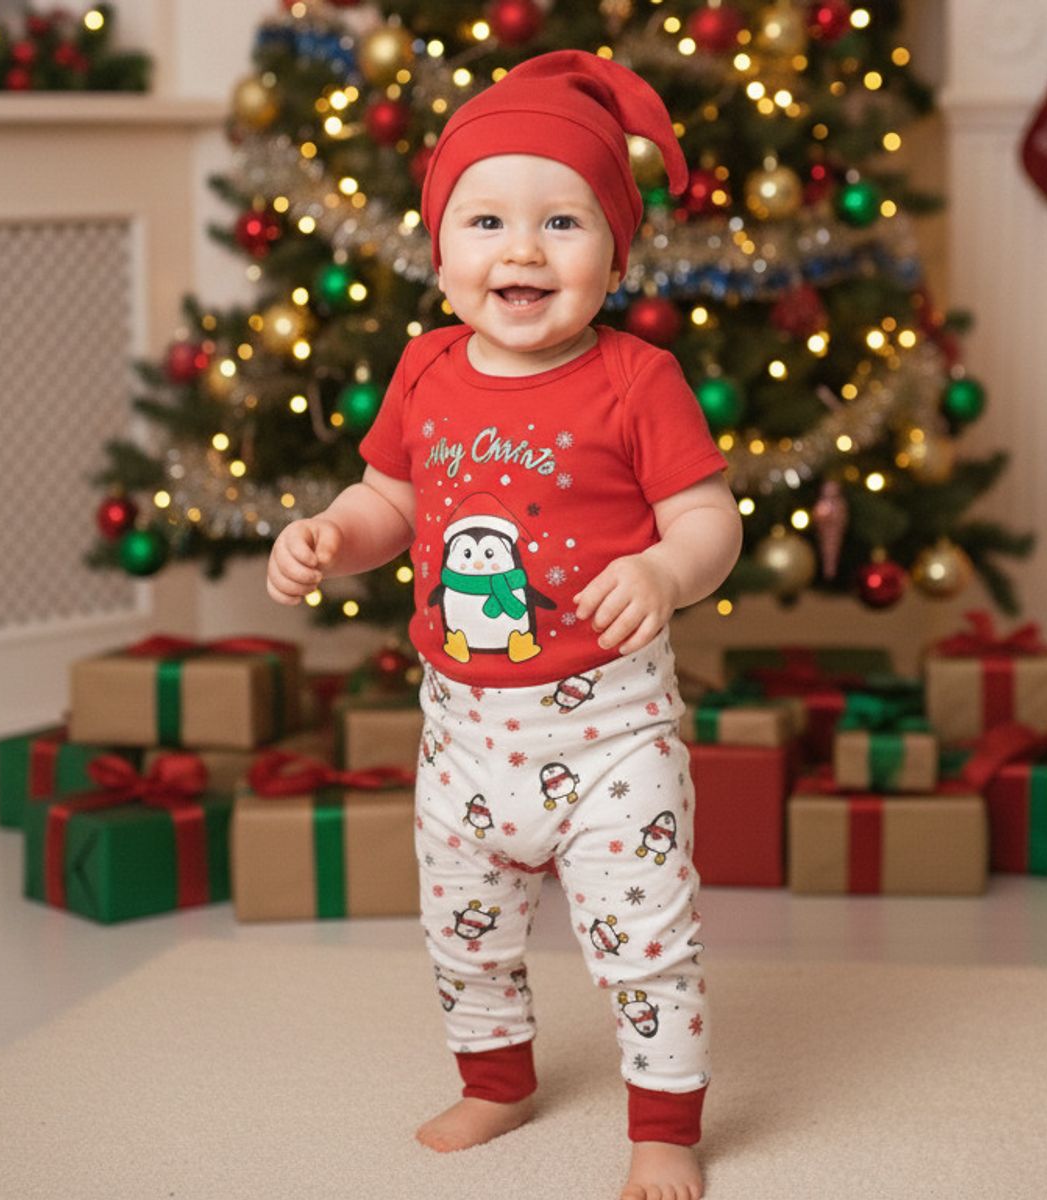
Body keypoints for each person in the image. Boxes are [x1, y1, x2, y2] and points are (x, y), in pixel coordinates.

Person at [267, 49, 742, 1200]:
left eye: (562, 222)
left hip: (609, 735)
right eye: (486, 219)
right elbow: (390, 501)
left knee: (647, 943)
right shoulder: (427, 372)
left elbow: (709, 516)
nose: (522, 250)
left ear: (615, 253)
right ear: (441, 256)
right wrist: (332, 533)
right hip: (467, 734)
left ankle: (665, 1124)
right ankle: (496, 1083)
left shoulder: (637, 381)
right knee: (465, 930)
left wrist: (668, 572)